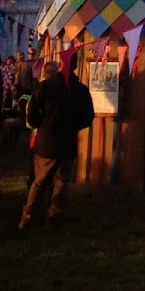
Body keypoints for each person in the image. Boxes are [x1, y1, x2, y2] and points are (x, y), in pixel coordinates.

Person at [19, 62, 94, 230]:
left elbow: (31, 112)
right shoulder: (80, 90)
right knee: (61, 183)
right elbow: (88, 116)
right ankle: (53, 218)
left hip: (47, 142)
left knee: (39, 183)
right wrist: (74, 127)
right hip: (68, 143)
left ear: (61, 65)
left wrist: (40, 124)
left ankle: (28, 218)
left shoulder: (46, 86)